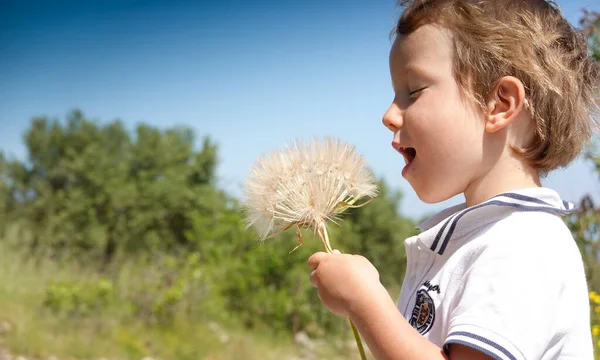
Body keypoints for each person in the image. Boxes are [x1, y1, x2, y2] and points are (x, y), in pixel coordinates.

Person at [307, 0, 599, 359]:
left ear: (500, 104)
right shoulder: (486, 236)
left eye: (413, 92)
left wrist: (365, 304)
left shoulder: (523, 244)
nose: (388, 115)